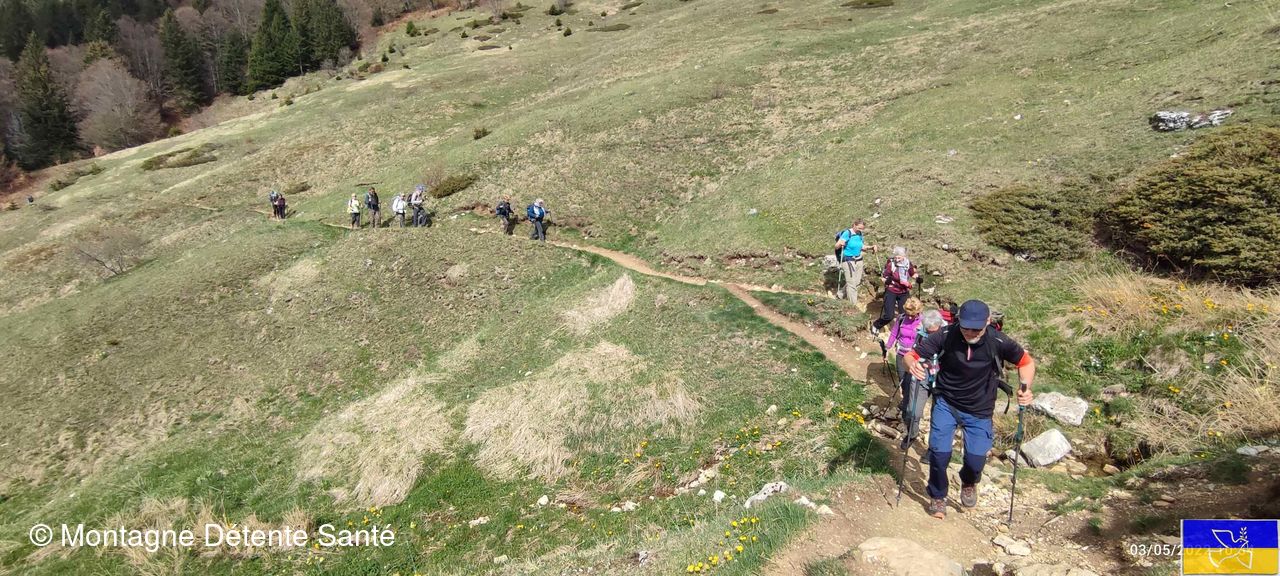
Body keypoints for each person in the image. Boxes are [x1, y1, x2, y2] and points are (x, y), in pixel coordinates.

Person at [905, 299, 1035, 519]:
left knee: (976, 461)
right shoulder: (946, 335)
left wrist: (1026, 389)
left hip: (980, 409)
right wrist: (912, 365)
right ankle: (938, 495)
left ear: (987, 321)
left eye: (976, 329)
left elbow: (1026, 362)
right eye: (966, 327)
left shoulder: (998, 340)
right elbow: (911, 355)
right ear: (959, 321)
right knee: (938, 454)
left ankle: (968, 481)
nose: (970, 333)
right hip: (947, 403)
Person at [886, 297, 925, 447]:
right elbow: (894, 333)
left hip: (915, 357)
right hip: (901, 355)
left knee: (910, 384)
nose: (909, 317)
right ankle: (906, 403)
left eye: (912, 315)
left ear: (918, 312)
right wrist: (888, 347)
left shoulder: (922, 322)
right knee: (903, 381)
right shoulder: (901, 318)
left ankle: (907, 413)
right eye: (908, 313)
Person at [872, 246, 918, 335]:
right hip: (891, 290)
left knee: (905, 313)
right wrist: (886, 280)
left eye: (899, 258)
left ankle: (902, 331)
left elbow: (912, 273)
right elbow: (885, 276)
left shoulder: (908, 263)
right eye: (896, 257)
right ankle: (876, 325)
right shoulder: (891, 264)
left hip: (903, 291)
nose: (897, 260)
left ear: (904, 256)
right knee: (889, 315)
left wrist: (917, 278)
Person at [834, 219, 876, 305]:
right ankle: (853, 304)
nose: (861, 230)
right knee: (851, 284)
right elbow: (836, 246)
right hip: (848, 259)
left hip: (859, 259)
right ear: (854, 225)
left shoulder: (859, 234)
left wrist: (871, 247)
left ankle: (840, 294)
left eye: (862, 229)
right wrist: (840, 243)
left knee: (856, 282)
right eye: (859, 228)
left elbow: (861, 246)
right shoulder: (847, 233)